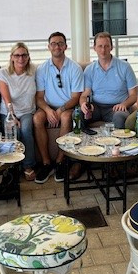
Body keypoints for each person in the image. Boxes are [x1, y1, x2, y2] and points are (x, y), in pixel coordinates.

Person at [33, 32, 84, 184]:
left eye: (60, 43)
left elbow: (76, 97)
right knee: (37, 118)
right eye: (54, 43)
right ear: (49, 47)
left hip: (68, 107)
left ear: (65, 47)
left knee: (66, 117)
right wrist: (48, 111)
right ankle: (47, 163)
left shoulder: (75, 68)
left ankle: (60, 162)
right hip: (48, 106)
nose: (57, 46)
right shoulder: (42, 69)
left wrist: (60, 110)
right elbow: (39, 97)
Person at [0, 42, 37, 181]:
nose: (21, 58)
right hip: (8, 112)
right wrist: (12, 115)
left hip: (27, 111)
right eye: (17, 55)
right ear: (11, 57)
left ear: (28, 57)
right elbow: (6, 98)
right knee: (14, 131)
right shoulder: (3, 73)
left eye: (24, 55)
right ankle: (11, 166)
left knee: (25, 130)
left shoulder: (34, 71)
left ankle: (28, 165)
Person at [80, 32, 138, 129]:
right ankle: (82, 143)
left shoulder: (125, 67)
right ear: (94, 48)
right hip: (96, 107)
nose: (103, 50)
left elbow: (134, 95)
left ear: (111, 47)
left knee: (119, 117)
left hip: (117, 107)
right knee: (77, 114)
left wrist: (124, 104)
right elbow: (84, 95)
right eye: (100, 46)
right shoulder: (89, 69)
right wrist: (83, 104)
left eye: (106, 46)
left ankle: (118, 144)